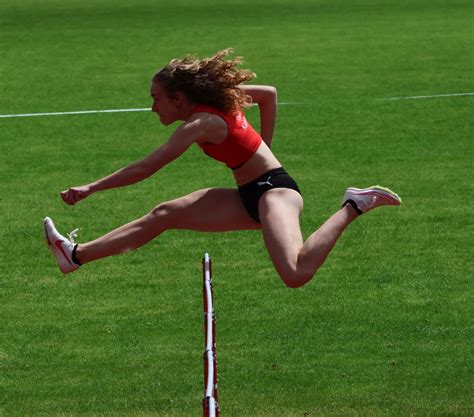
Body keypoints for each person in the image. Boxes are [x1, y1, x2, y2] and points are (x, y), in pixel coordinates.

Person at [44, 48, 401, 288]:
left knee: (295, 272)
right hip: (251, 193)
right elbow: (269, 94)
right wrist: (266, 146)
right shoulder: (220, 99)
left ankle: (354, 205)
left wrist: (92, 187)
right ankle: (74, 256)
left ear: (178, 99)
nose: (152, 107)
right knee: (165, 213)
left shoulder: (200, 124)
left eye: (156, 98)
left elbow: (147, 167)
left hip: (276, 192)